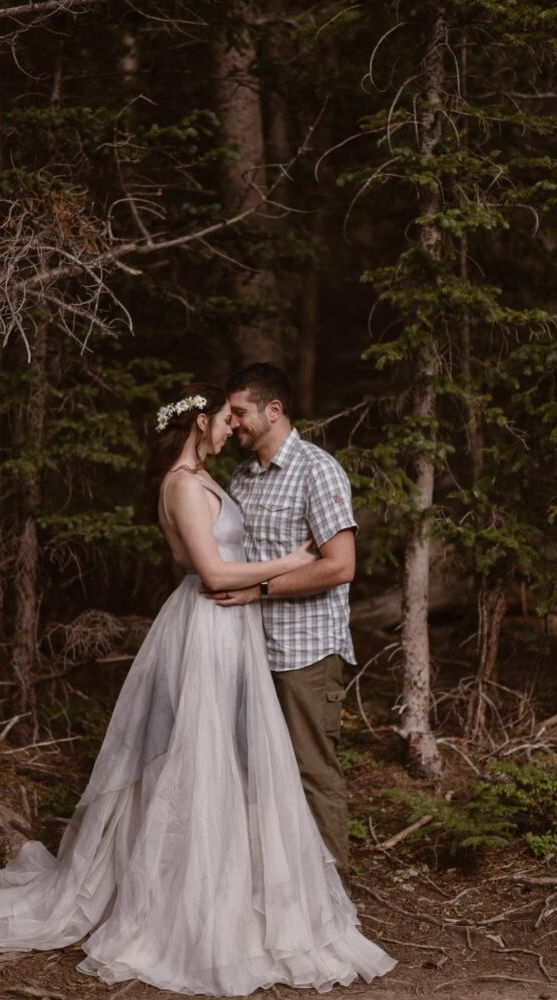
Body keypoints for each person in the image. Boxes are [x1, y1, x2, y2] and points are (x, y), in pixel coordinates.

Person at [0, 382, 395, 995]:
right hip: (215, 625)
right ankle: (199, 903)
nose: (227, 425)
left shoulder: (234, 475)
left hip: (250, 632)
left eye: (234, 414)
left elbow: (322, 562)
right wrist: (288, 563)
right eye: (220, 417)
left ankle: (287, 894)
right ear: (195, 424)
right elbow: (211, 572)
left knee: (250, 765)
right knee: (203, 760)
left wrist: (272, 576)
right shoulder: (187, 483)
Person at [205, 364, 357, 889]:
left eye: (240, 412)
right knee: (254, 769)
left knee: (310, 770)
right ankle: (273, 887)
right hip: (247, 648)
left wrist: (259, 590)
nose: (234, 423)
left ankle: (330, 897)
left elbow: (340, 565)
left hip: (304, 652)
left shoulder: (317, 470)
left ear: (274, 410)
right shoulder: (242, 476)